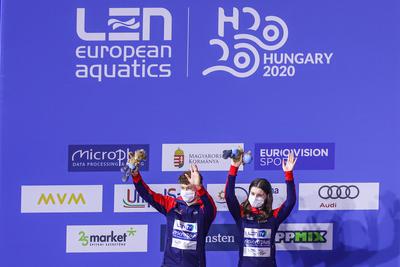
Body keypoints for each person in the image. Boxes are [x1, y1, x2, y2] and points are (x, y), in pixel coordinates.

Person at [132, 164, 217, 267]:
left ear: (196, 189)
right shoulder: (171, 204)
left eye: (189, 188)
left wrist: (200, 187)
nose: (185, 191)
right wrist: (136, 176)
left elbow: (211, 207)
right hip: (170, 264)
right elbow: (147, 195)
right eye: (182, 188)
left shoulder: (203, 210)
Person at [224, 153, 297, 267]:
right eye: (252, 193)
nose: (254, 197)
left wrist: (289, 174)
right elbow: (229, 196)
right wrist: (234, 168)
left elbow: (290, 201)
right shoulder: (241, 214)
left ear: (267, 196)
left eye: (259, 195)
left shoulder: (274, 217)